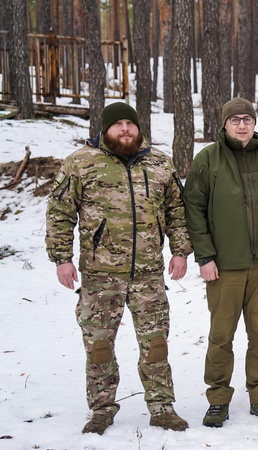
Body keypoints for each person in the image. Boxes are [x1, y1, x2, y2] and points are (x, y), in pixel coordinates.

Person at [45, 102, 192, 434]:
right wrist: (62, 258)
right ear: (105, 129)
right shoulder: (81, 163)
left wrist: (180, 251)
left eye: (130, 124)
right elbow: (59, 212)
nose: (125, 129)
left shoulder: (159, 163)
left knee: (155, 344)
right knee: (98, 347)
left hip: (148, 275)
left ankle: (162, 406)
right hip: (100, 277)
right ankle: (101, 408)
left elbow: (176, 212)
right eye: (118, 124)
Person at [184, 97, 258, 427]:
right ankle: (218, 399)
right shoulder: (208, 159)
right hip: (225, 265)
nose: (242, 125)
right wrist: (204, 256)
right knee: (222, 335)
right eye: (235, 120)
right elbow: (194, 210)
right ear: (224, 124)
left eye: (247, 119)